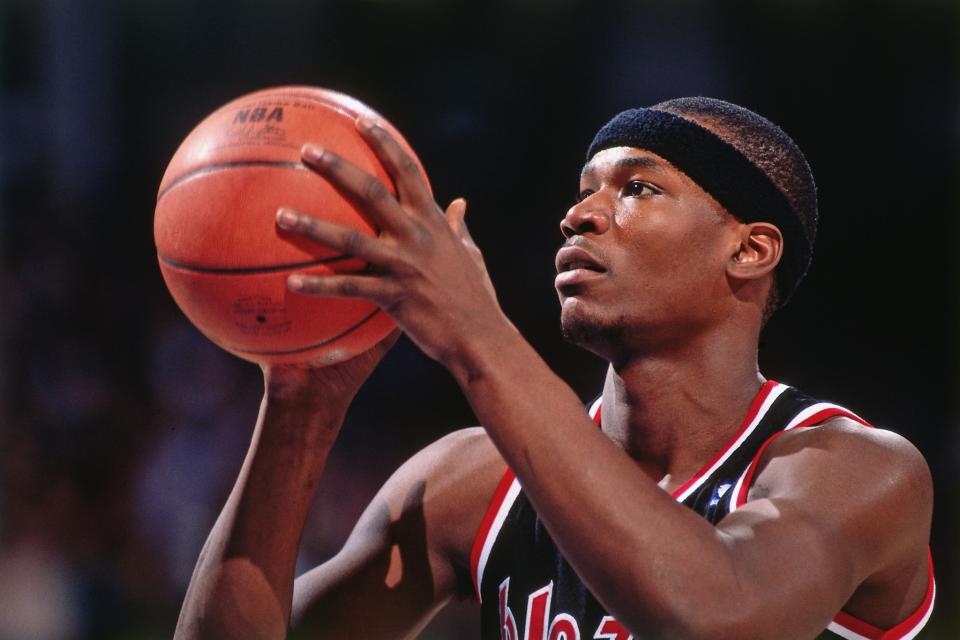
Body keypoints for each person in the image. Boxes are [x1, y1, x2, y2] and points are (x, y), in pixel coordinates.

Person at [173, 97, 935, 639]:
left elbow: (715, 619)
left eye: (637, 187)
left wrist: (478, 334)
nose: (580, 214)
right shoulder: (472, 483)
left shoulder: (858, 471)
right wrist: (300, 400)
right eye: (582, 191)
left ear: (748, 249)